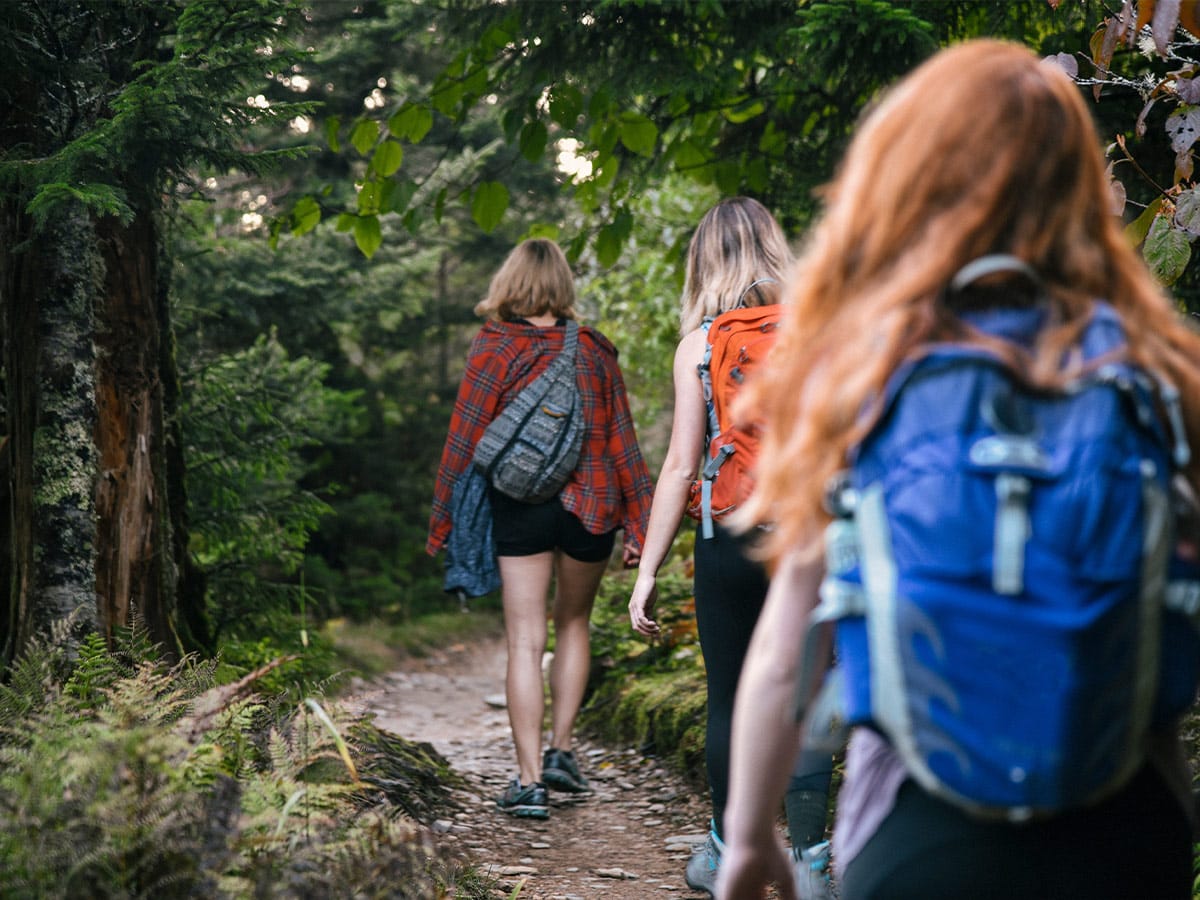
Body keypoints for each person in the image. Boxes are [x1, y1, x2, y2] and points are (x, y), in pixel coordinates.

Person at [716, 40, 1200, 899]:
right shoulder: (1159, 370)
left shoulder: (864, 373)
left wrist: (751, 839)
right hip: (1128, 829)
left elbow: (790, 649)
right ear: (1082, 188)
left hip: (919, 834)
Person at [628, 197, 834, 898]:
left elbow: (682, 467)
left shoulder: (700, 345)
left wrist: (647, 568)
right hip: (806, 537)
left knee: (729, 698)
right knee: (805, 693)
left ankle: (726, 847)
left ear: (704, 260)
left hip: (727, 542)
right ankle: (813, 858)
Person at [427, 238, 654, 819]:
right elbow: (622, 443)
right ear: (563, 286)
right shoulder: (597, 352)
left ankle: (528, 783)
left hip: (521, 507)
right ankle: (562, 751)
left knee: (526, 641)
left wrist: (442, 523)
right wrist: (642, 526)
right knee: (573, 622)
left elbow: (464, 438)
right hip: (594, 506)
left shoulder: (494, 346)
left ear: (509, 283)